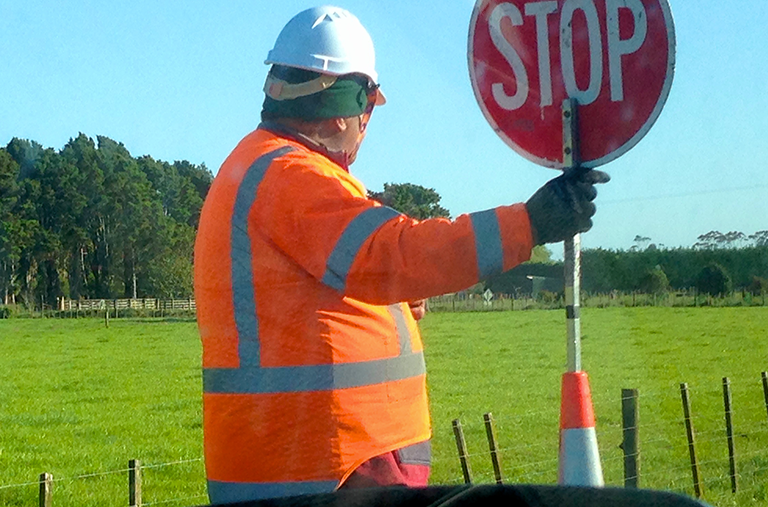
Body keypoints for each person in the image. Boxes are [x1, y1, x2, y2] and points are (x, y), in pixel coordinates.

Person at [194, 5, 609, 505]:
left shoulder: (265, 169)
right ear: (353, 105)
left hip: (313, 468)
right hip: (325, 473)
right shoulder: (290, 175)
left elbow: (321, 296)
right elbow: (392, 254)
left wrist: (391, 306)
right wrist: (531, 223)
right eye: (369, 109)